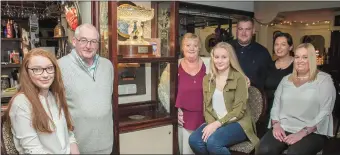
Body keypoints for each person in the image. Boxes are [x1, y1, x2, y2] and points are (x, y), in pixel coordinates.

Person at [256, 43, 336, 155]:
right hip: (284, 127)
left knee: (295, 152)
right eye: (297, 57)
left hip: (312, 131)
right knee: (264, 149)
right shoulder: (285, 80)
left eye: (305, 57)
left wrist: (302, 133)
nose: (300, 60)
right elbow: (276, 105)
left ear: (312, 59)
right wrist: (276, 124)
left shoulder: (324, 80)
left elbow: (325, 111)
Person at [4, 48, 80, 154]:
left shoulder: (55, 96)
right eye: (37, 69)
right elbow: (34, 151)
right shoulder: (21, 103)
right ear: (27, 72)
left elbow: (69, 135)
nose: (45, 75)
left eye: (49, 68)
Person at [189, 42, 259, 155]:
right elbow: (206, 107)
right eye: (216, 57)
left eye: (224, 57)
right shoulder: (207, 79)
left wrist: (217, 124)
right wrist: (212, 124)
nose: (219, 61)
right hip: (215, 121)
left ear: (230, 58)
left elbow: (238, 111)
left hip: (238, 123)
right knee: (194, 140)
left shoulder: (239, 78)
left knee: (213, 143)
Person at [58, 23, 114, 154]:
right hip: (76, 147)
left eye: (93, 41)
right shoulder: (60, 66)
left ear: (98, 44)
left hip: (106, 145)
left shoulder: (108, 66)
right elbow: (56, 108)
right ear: (74, 41)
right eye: (83, 40)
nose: (88, 46)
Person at [261, 32, 294, 136]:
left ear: (290, 47)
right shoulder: (269, 66)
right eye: (276, 44)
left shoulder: (298, 66)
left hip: (290, 113)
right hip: (269, 111)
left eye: (283, 44)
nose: (279, 48)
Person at [230, 16, 273, 90]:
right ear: (236, 31)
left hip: (253, 98)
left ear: (253, 31)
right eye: (240, 29)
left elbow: (268, 81)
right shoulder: (226, 49)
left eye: (247, 29)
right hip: (228, 97)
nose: (243, 33)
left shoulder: (263, 52)